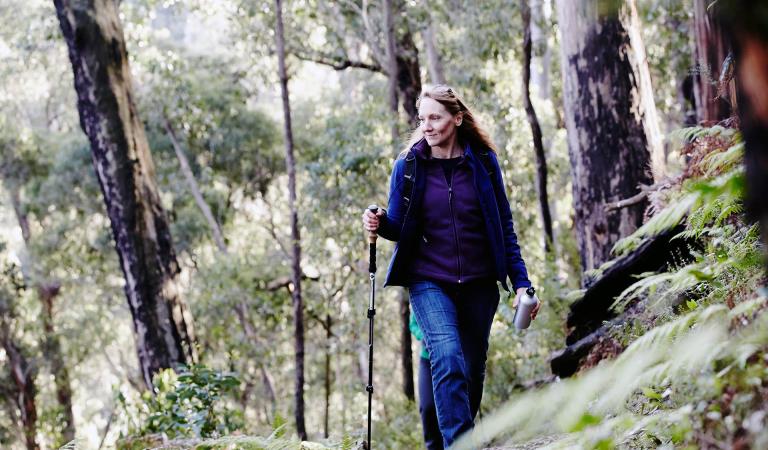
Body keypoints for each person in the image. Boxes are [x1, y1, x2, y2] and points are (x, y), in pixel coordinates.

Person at [362, 84, 540, 449]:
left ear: (457, 119)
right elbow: (398, 224)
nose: (427, 126)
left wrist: (521, 282)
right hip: (429, 280)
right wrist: (379, 220)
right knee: (446, 355)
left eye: (435, 117)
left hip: (479, 283)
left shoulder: (484, 164)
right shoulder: (408, 166)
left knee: (471, 374)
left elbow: (503, 225)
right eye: (423, 118)